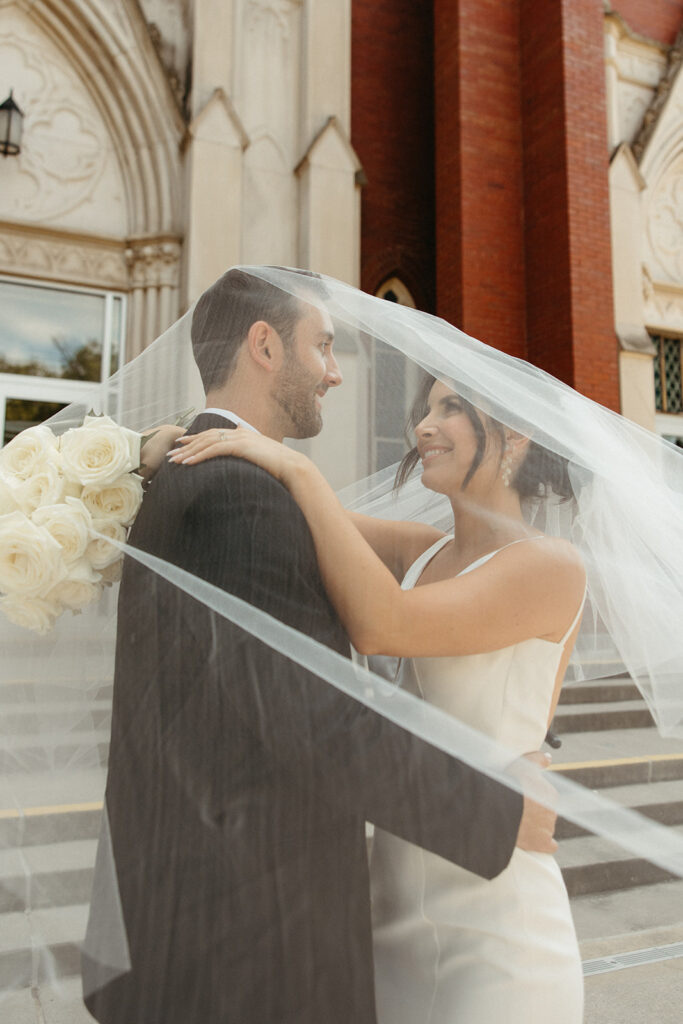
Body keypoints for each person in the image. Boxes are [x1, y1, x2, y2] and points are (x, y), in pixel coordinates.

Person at [82, 268, 555, 1024]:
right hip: (250, 934)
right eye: (324, 347)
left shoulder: (198, 472)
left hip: (199, 904)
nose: (336, 373)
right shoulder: (241, 492)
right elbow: (308, 716)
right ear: (264, 346)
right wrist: (495, 810)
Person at [168, 370, 587, 1022]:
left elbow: (382, 623)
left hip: (498, 926)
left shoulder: (549, 566)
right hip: (393, 907)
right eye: (424, 407)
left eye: (450, 408)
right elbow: (287, 515)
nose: (422, 424)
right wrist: (160, 449)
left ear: (514, 438)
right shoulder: (423, 553)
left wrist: (299, 469)